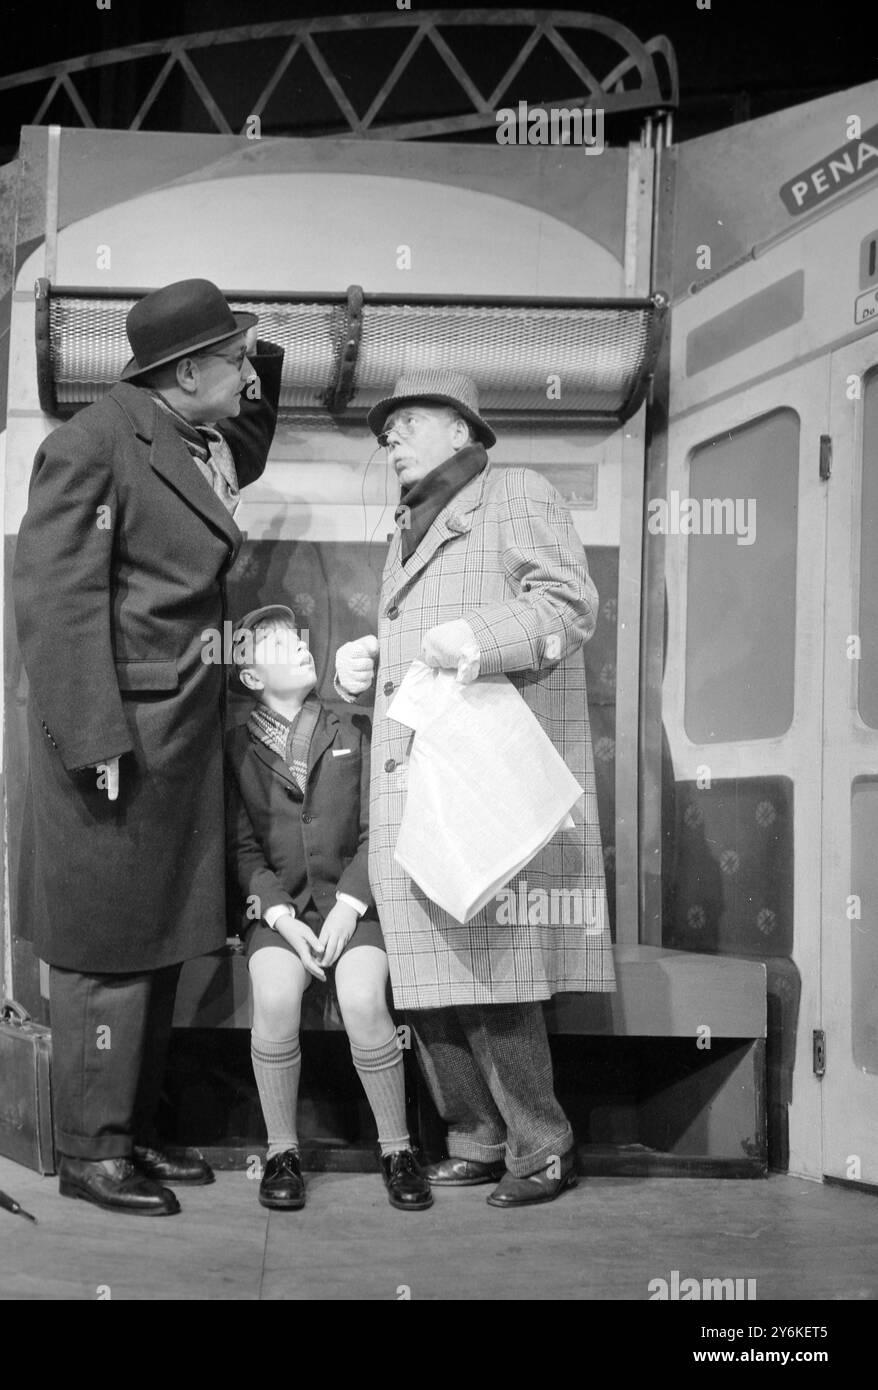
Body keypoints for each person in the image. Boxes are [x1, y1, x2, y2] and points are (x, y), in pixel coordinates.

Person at [13, 278, 284, 1216]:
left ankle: (137, 1130)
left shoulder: (187, 434)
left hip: (175, 740)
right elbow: (57, 602)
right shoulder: (89, 445)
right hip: (115, 742)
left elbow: (242, 446)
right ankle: (92, 1154)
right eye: (236, 362)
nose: (249, 377)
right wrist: (94, 739)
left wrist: (263, 346)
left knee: (161, 943)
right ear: (186, 372)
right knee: (105, 952)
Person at [334, 369, 615, 1207]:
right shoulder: (410, 526)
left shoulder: (515, 492)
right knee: (430, 975)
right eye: (386, 431)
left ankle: (545, 1146)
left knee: (494, 978)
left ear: (461, 429)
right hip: (418, 782)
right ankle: (476, 1138)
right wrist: (372, 664)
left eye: (406, 423)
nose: (390, 439)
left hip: (481, 780)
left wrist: (474, 641)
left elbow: (568, 606)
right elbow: (427, 633)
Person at [225, 606, 432, 1212]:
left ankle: (398, 1148)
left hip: (352, 905)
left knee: (366, 1000)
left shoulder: (353, 730)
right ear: (249, 678)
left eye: (296, 638)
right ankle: (282, 1151)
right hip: (280, 913)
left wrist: (348, 905)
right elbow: (241, 850)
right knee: (274, 998)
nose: (295, 647)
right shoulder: (236, 751)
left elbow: (378, 830)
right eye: (273, 644)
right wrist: (283, 919)